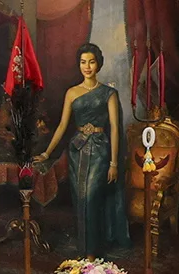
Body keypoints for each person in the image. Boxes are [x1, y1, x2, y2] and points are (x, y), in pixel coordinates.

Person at [34, 43, 131, 258]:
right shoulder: (71, 92)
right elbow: (61, 126)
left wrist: (114, 163)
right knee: (79, 199)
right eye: (83, 62)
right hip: (77, 151)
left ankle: (92, 252)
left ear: (99, 64)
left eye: (91, 61)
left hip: (100, 151)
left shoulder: (109, 93)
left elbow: (114, 129)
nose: (87, 66)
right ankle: (84, 248)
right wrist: (47, 154)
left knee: (91, 197)